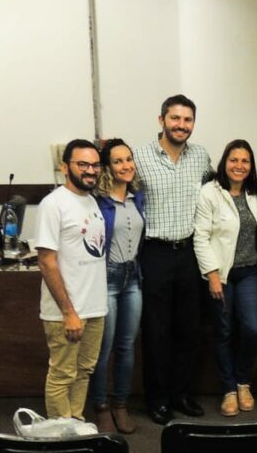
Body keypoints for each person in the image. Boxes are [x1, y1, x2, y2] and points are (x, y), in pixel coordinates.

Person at [133, 94, 213, 425]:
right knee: (156, 331)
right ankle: (158, 399)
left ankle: (181, 393)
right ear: (161, 120)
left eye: (188, 120)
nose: (181, 125)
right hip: (155, 252)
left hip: (189, 252)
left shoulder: (201, 157)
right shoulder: (138, 157)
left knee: (188, 329)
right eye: (175, 118)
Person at [34, 139, 107, 421]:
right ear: (65, 167)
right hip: (66, 312)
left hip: (94, 308)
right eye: (82, 164)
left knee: (84, 371)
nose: (90, 170)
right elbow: (46, 261)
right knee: (63, 374)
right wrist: (68, 312)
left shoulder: (90, 200)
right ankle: (60, 437)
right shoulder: (53, 204)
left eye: (95, 164)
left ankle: (74, 425)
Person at [193, 140, 257, 417]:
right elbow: (200, 236)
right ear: (224, 163)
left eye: (245, 161)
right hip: (220, 274)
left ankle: (243, 382)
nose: (239, 166)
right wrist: (212, 275)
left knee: (253, 329)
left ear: (251, 165)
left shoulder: (255, 193)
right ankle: (229, 390)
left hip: (249, 273)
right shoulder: (210, 192)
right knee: (223, 331)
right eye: (233, 160)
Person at [90, 139, 145, 434]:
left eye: (128, 159)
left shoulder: (138, 197)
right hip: (106, 279)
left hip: (132, 278)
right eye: (118, 161)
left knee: (126, 347)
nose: (126, 166)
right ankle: (101, 406)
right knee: (104, 348)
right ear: (108, 167)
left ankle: (120, 404)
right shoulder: (98, 201)